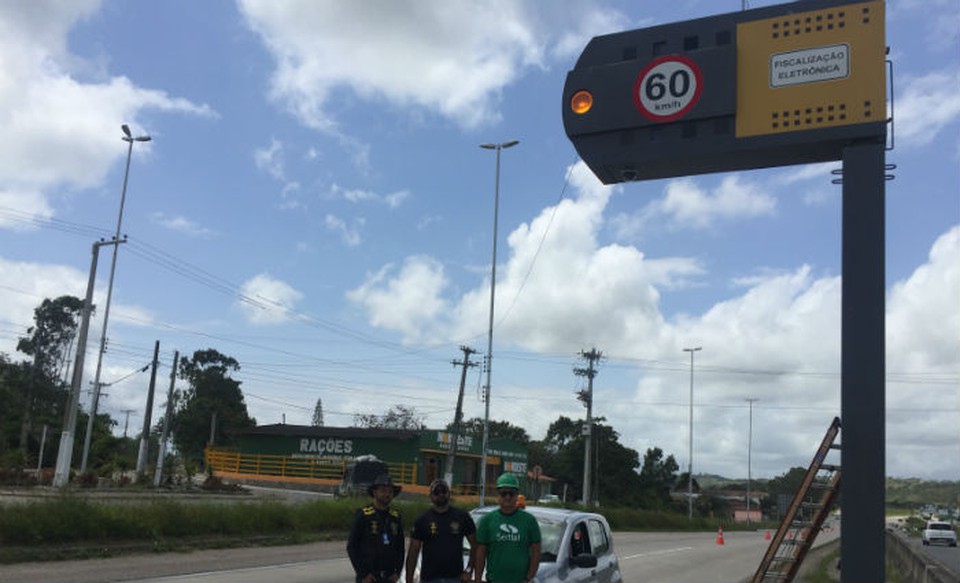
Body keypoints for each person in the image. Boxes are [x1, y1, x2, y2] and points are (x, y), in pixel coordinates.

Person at [405, 478, 478, 583]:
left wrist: (469, 569)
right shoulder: (422, 520)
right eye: (436, 492)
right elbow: (413, 553)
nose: (441, 494)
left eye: (444, 491)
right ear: (430, 496)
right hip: (429, 579)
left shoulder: (462, 517)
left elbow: (475, 545)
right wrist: (409, 580)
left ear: (449, 494)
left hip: (455, 578)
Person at [474, 473, 541, 583]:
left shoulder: (529, 521)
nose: (508, 497)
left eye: (511, 493)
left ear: (517, 495)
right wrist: (477, 579)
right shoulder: (487, 521)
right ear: (498, 494)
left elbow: (536, 552)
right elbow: (480, 553)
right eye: (503, 493)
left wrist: (529, 577)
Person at [347, 474, 405, 583]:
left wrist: (398, 572)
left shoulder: (395, 517)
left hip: (389, 577)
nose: (387, 494)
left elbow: (400, 548)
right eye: (383, 491)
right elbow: (352, 546)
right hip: (369, 577)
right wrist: (363, 574)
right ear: (374, 492)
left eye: (390, 491)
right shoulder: (363, 515)